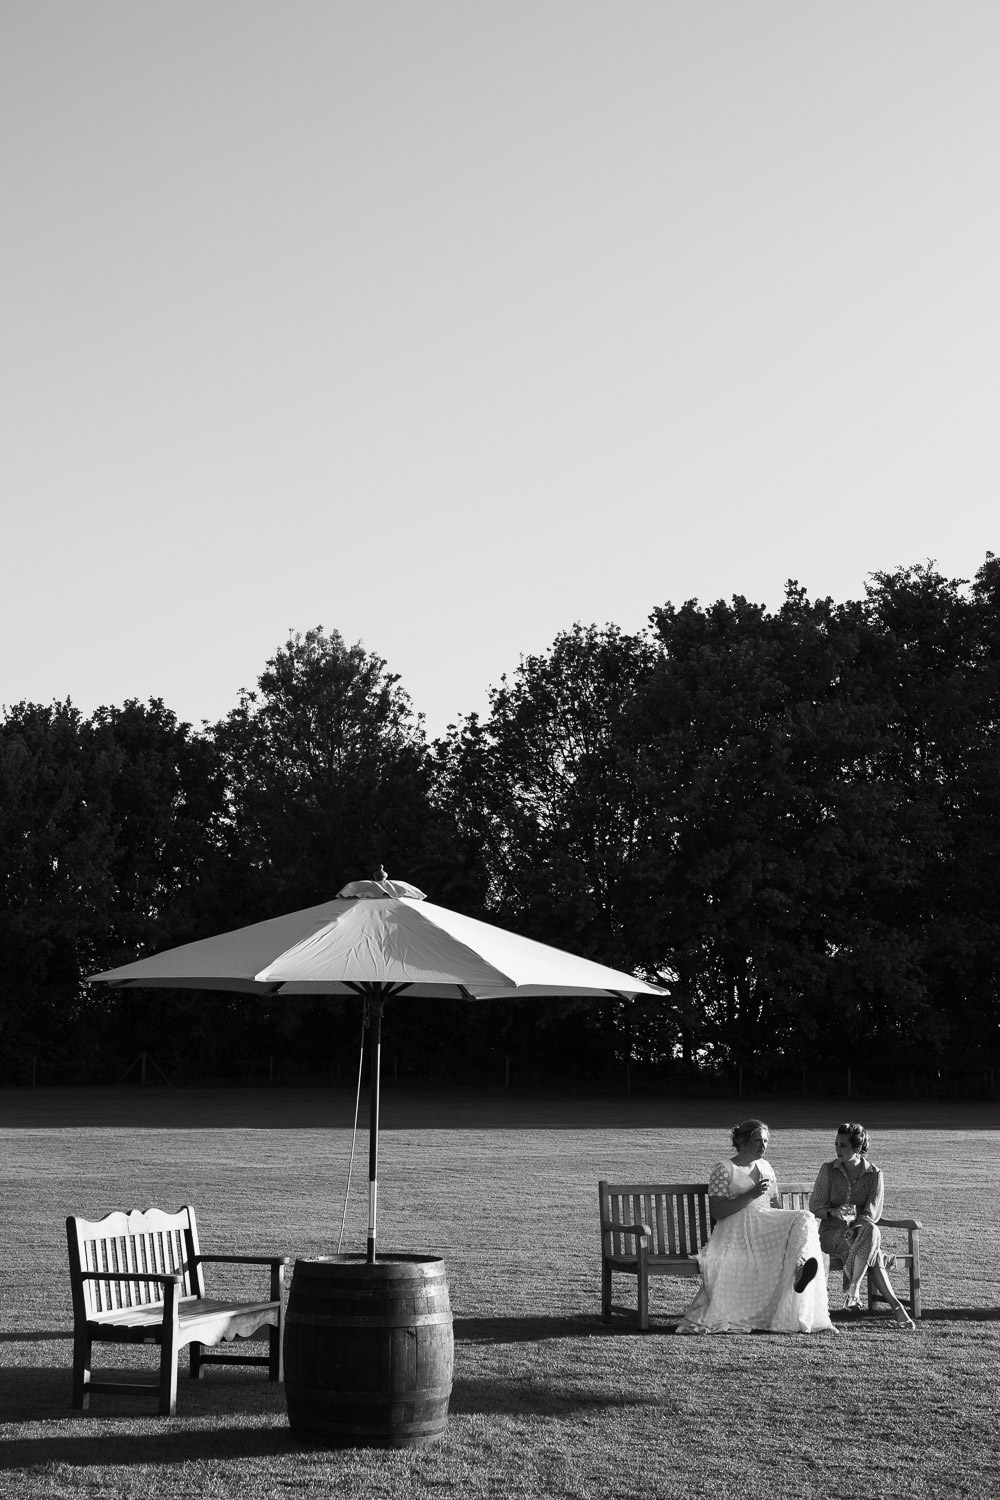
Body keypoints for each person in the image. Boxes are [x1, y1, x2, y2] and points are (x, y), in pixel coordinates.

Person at [677, 1120, 834, 1335]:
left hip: (764, 1225)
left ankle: (800, 1267)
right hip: (736, 1229)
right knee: (803, 1218)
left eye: (766, 1141)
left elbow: (775, 1206)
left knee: (805, 1216)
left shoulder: (766, 1167)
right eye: (758, 1140)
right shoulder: (724, 1169)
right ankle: (798, 1267)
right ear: (742, 1141)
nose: (763, 1145)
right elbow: (717, 1211)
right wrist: (751, 1195)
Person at [809, 1122, 916, 1332]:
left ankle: (854, 1290)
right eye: (836, 1144)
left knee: (870, 1231)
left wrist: (856, 1225)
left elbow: (872, 1213)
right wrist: (834, 1212)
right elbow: (816, 1207)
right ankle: (894, 1306)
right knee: (873, 1251)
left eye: (843, 1146)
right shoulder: (828, 1170)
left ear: (857, 1148)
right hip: (831, 1234)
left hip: (861, 1231)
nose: (837, 1150)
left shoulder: (875, 1174)